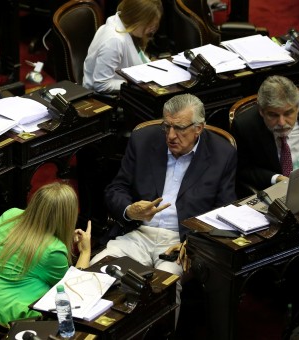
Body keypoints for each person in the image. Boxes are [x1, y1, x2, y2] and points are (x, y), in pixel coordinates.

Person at [91, 93, 237, 322]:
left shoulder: (222, 153)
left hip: (179, 243)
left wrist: (194, 243)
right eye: (166, 126)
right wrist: (130, 210)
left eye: (179, 128)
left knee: (162, 291)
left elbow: (223, 211)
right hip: (137, 234)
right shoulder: (143, 140)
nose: (170, 135)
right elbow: (115, 189)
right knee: (95, 272)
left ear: (198, 128)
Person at [0, 182, 92, 325]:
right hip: (10, 318)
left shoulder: (10, 214)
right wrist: (85, 251)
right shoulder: (53, 251)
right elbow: (74, 292)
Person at [82, 0, 163, 94]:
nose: (152, 29)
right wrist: (135, 84)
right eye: (149, 25)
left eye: (154, 25)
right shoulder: (114, 41)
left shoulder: (125, 25)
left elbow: (138, 56)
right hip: (103, 99)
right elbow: (101, 84)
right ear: (136, 19)